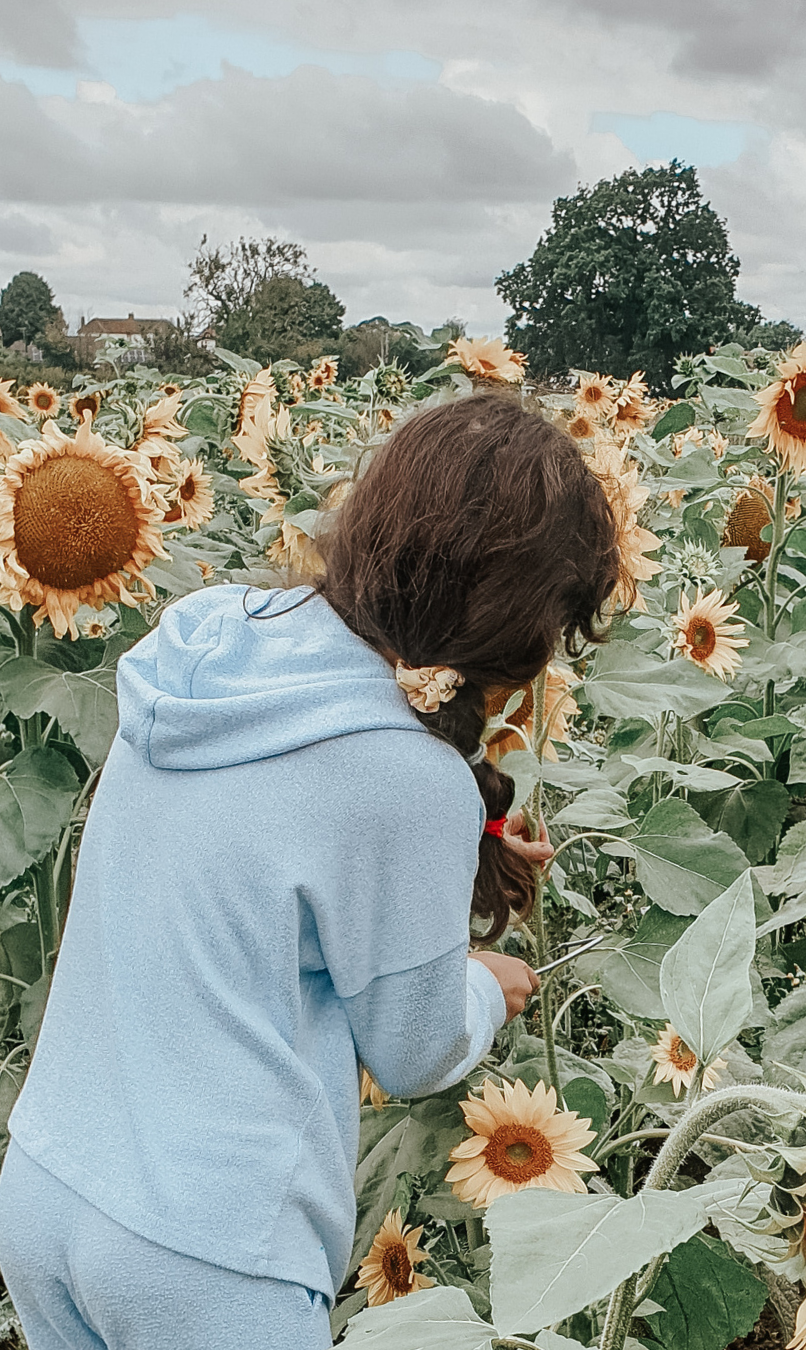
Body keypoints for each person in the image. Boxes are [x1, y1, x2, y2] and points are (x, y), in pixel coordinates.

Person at [0, 394, 622, 1350]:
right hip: (208, 1252)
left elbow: (285, 815)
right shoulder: (405, 781)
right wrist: (487, 987)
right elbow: (412, 1049)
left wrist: (474, 830)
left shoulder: (209, 640)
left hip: (48, 1188)